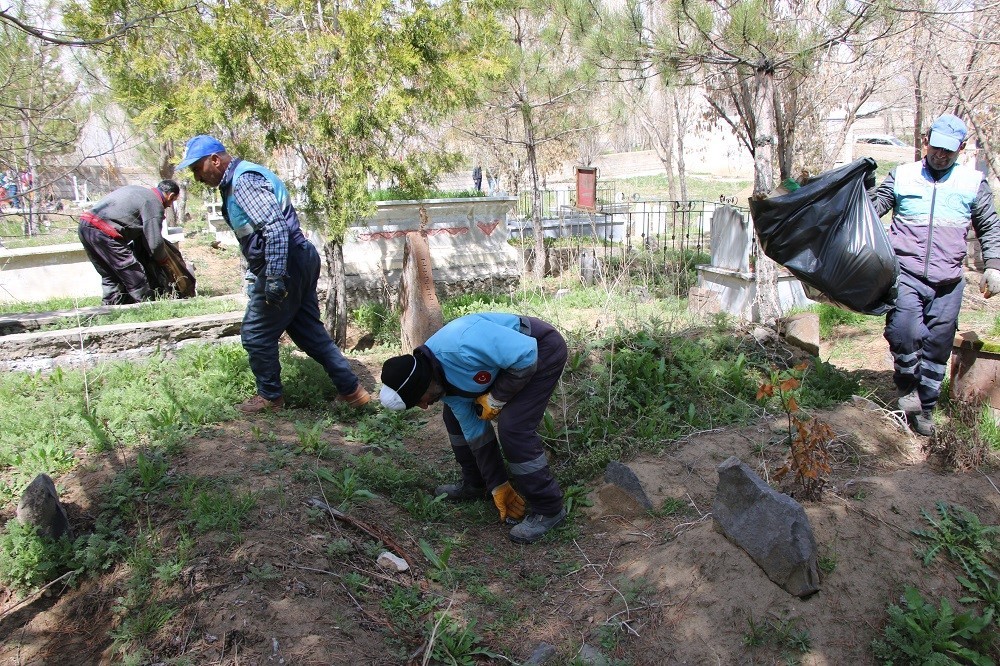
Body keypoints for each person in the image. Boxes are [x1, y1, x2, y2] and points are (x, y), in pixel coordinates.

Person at [176, 134, 371, 414]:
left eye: (197, 169)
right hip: (298, 257)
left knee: (255, 334)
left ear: (215, 160)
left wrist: (275, 277)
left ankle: (270, 397)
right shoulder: (240, 179)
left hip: (285, 261)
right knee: (308, 332)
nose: (197, 177)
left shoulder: (243, 182)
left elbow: (275, 229)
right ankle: (353, 392)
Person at [379, 312, 567, 544]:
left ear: (423, 384)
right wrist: (498, 483)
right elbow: (476, 433)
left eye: (420, 400)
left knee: (513, 428)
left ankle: (549, 509)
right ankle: (477, 483)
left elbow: (527, 354)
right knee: (454, 418)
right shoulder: (440, 379)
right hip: (509, 366)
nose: (425, 407)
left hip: (540, 350)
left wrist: (496, 398)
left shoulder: (460, 345)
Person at [869, 113, 1000, 436]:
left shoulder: (972, 183)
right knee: (904, 332)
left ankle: (925, 408)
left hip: (949, 279)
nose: (941, 156)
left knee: (938, 346)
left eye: (949, 151)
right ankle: (907, 389)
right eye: (936, 148)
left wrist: (994, 265)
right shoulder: (903, 176)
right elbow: (875, 207)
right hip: (907, 273)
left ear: (962, 149)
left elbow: (989, 225)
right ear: (926, 142)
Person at [78, 179, 180, 305]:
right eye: (172, 201)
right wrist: (164, 261)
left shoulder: (139, 191)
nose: (169, 205)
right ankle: (147, 308)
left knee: (110, 276)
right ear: (170, 195)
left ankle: (109, 312)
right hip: (104, 233)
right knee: (133, 273)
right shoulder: (154, 203)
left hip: (85, 227)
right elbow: (155, 243)